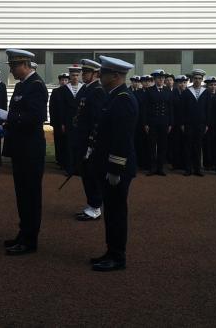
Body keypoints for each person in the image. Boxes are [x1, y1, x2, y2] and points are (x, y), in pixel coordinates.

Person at [86, 56, 138, 272]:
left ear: (115, 76)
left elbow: (122, 138)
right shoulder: (113, 96)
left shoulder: (123, 99)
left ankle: (117, 257)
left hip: (117, 167)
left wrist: (115, 168)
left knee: (116, 213)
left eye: (103, 74)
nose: (100, 77)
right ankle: (111, 251)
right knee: (111, 212)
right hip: (107, 165)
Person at [0, 49, 48, 256]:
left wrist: (9, 116)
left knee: (30, 196)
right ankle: (23, 232)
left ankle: (30, 240)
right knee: (22, 195)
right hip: (21, 148)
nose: (11, 70)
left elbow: (35, 118)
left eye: (13, 66)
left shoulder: (36, 86)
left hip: (30, 149)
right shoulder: (22, 86)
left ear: (25, 65)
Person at [72, 59, 106, 221]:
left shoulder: (97, 91)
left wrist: (92, 143)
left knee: (91, 175)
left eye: (86, 72)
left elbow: (97, 119)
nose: (83, 75)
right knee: (86, 174)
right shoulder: (87, 89)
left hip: (89, 141)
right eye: (83, 72)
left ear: (95, 74)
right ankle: (92, 204)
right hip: (82, 138)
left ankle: (95, 207)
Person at [181, 69, 212, 177]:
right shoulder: (186, 92)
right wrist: (182, 124)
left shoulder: (206, 92)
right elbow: (182, 109)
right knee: (188, 146)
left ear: (202, 80)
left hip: (201, 124)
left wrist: (207, 124)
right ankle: (188, 169)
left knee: (198, 147)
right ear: (192, 79)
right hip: (189, 124)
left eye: (199, 79)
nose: (197, 80)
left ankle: (197, 169)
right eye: (195, 78)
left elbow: (208, 109)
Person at [142, 69, 173, 176]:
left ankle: (160, 168)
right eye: (159, 78)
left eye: (162, 78)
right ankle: (152, 168)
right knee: (151, 146)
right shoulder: (149, 91)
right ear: (155, 79)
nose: (161, 80)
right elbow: (145, 108)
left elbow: (170, 108)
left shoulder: (168, 90)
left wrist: (170, 123)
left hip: (164, 122)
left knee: (162, 146)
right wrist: (145, 123)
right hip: (152, 123)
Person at [59, 64, 82, 176]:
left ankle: (78, 168)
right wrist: (62, 123)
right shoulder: (64, 89)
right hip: (68, 121)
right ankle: (69, 168)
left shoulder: (84, 88)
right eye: (73, 75)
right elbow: (61, 108)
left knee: (79, 145)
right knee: (68, 145)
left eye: (77, 75)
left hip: (81, 122)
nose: (75, 77)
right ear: (70, 75)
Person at [49, 72, 68, 169]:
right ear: (59, 81)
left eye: (66, 80)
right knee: (58, 141)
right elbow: (52, 107)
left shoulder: (70, 92)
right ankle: (59, 159)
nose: (64, 82)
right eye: (62, 80)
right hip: (57, 122)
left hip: (67, 122)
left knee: (66, 142)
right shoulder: (56, 91)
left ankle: (66, 160)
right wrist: (53, 122)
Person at [168, 75, 188, 171]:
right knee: (175, 144)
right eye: (180, 82)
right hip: (175, 124)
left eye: (184, 82)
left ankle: (185, 164)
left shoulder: (189, 93)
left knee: (185, 144)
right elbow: (171, 109)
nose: (182, 84)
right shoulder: (173, 93)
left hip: (186, 124)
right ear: (177, 83)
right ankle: (175, 164)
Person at [202, 76, 216, 170]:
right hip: (207, 125)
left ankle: (215, 163)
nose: (213, 87)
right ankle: (207, 164)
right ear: (207, 86)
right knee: (206, 145)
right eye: (211, 85)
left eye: (215, 85)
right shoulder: (204, 95)